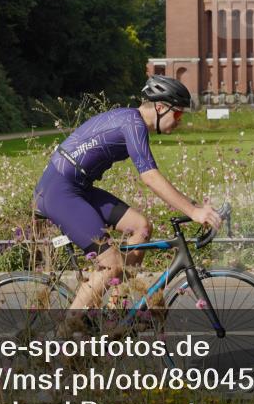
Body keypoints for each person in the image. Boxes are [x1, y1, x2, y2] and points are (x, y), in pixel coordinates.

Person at [34, 75, 222, 330]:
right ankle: (64, 333)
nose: (179, 122)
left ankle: (115, 313)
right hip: (59, 191)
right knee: (110, 264)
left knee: (140, 226)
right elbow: (151, 177)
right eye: (177, 115)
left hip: (77, 188)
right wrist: (193, 211)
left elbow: (154, 179)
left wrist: (193, 205)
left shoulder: (132, 122)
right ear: (159, 107)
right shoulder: (132, 123)